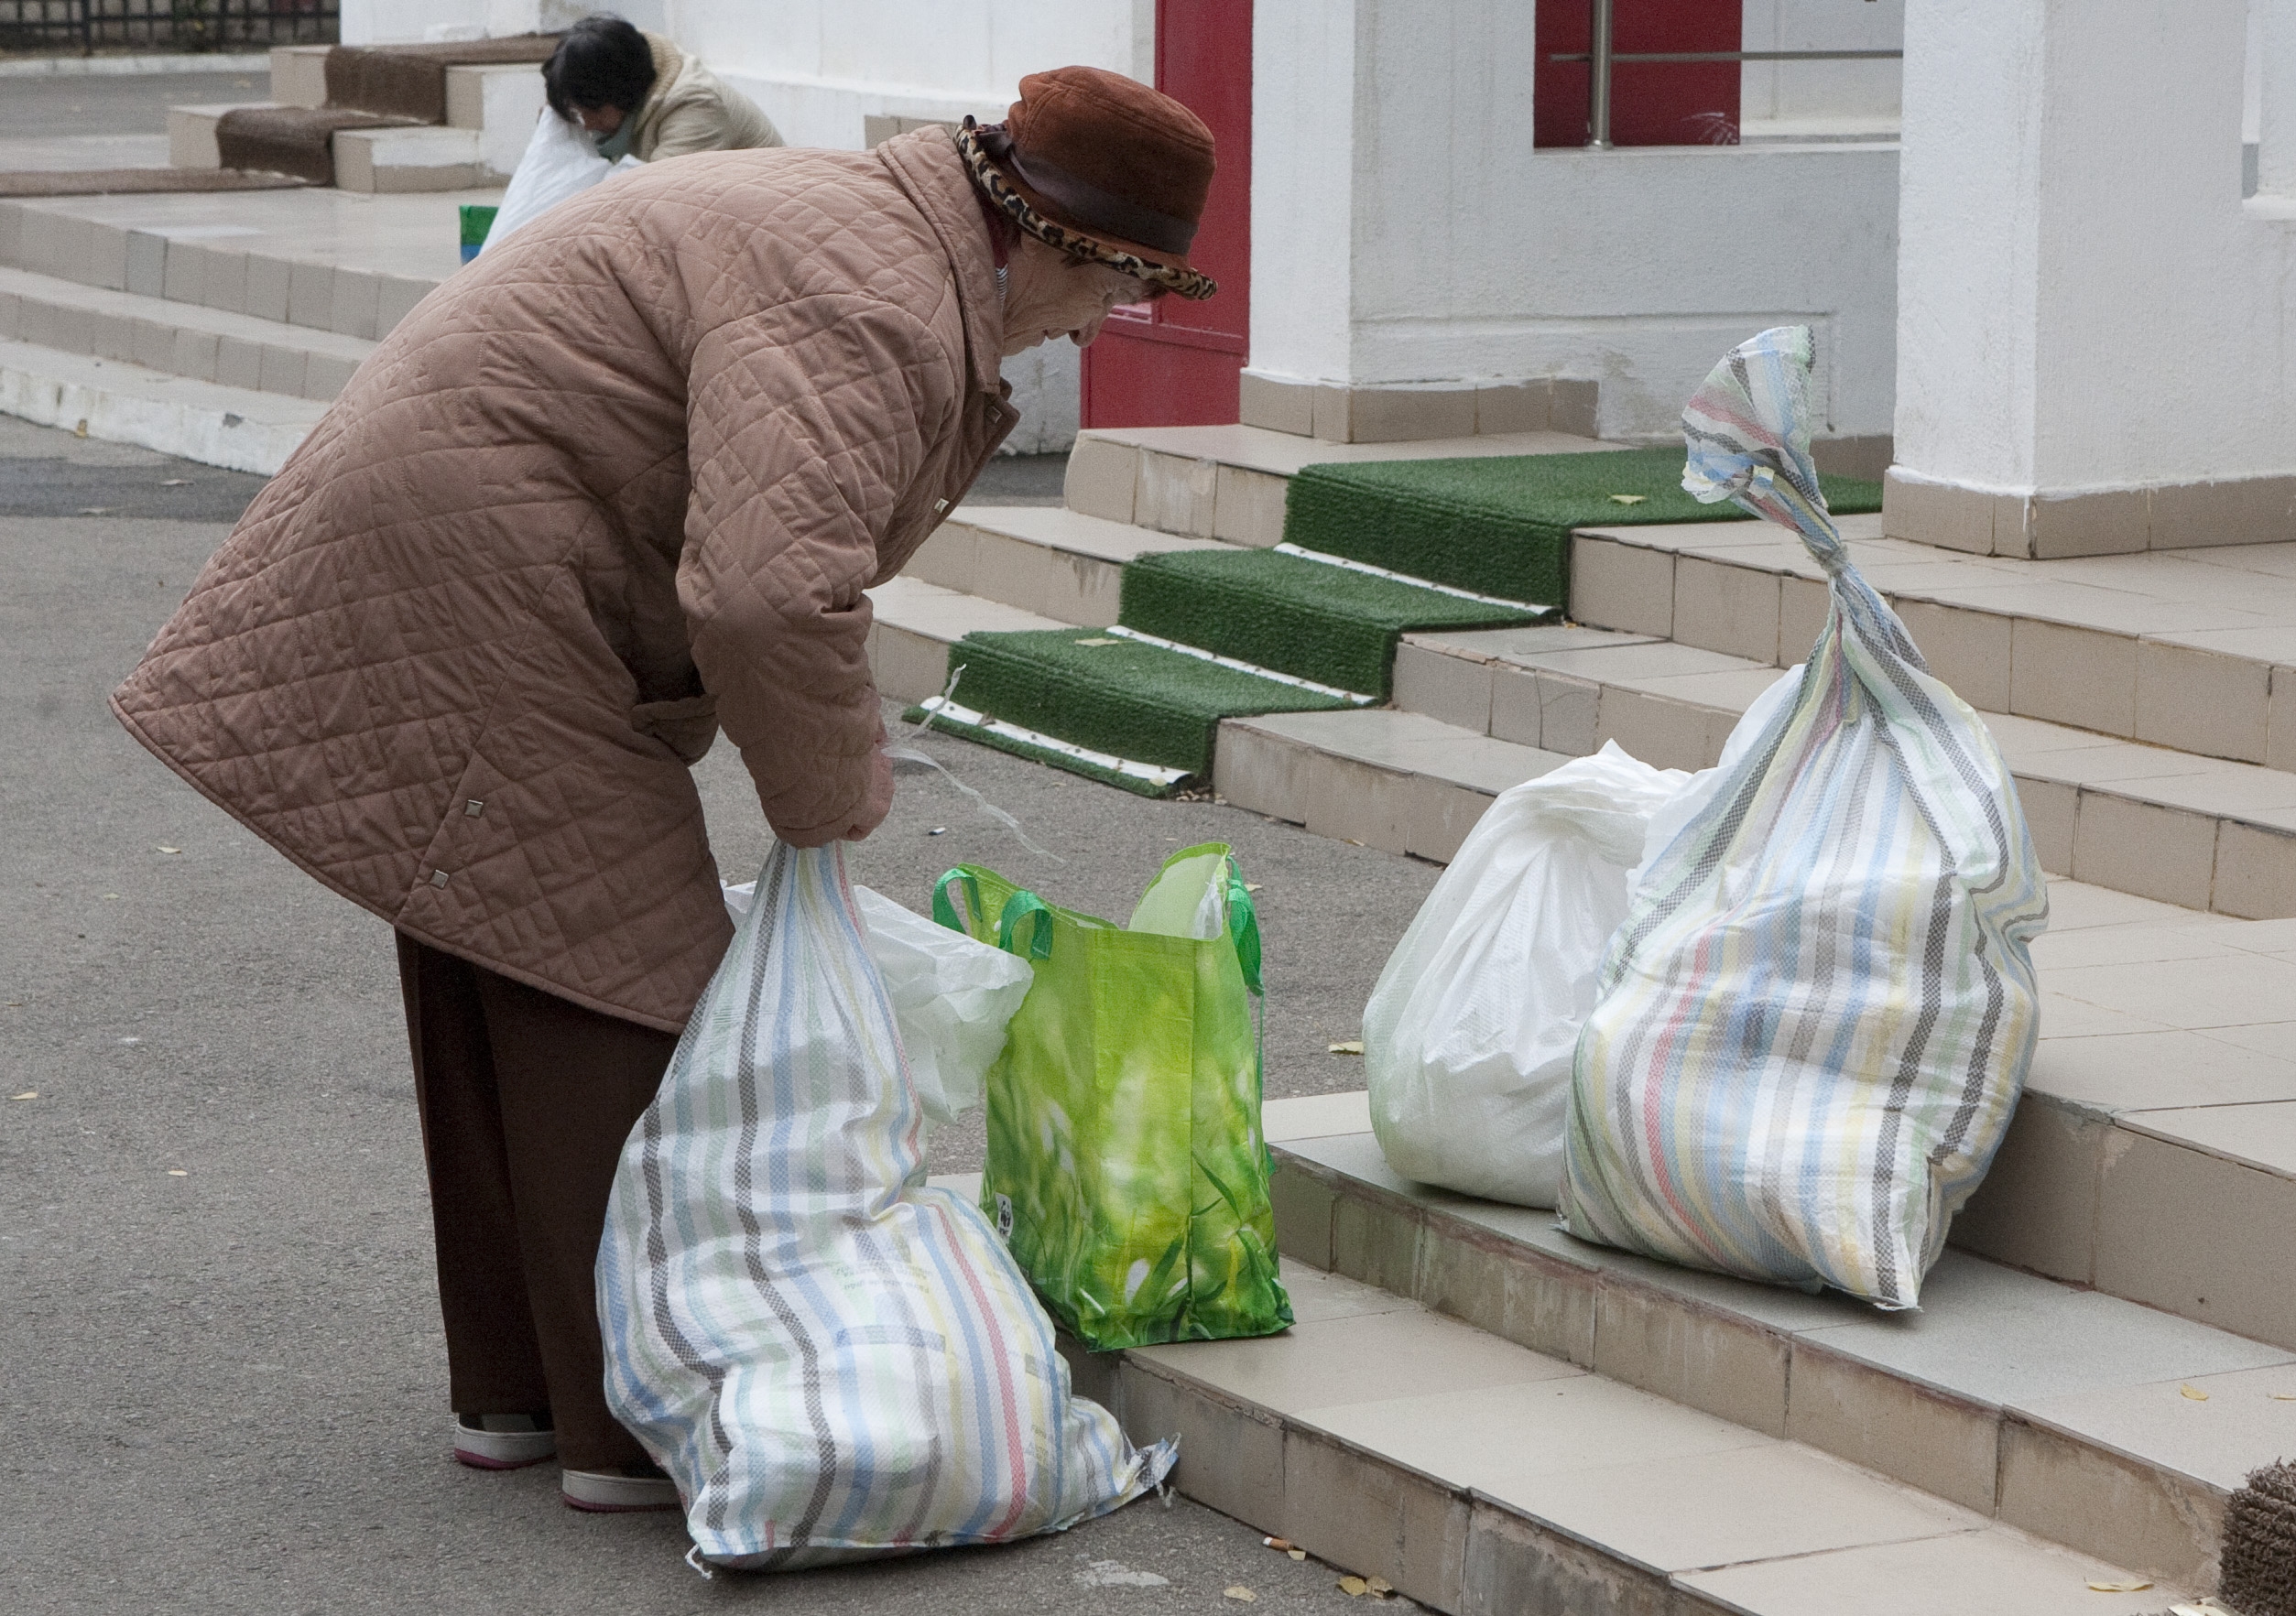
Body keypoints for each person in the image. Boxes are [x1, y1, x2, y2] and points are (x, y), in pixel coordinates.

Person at [111, 65, 1216, 1516]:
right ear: (1077, 249)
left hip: (455, 534)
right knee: (626, 984)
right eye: (1117, 293)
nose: (1096, 325)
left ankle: (521, 1395)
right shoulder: (872, 292)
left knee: (499, 944)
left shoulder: (871, 230)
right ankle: (631, 1421)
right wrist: (830, 797)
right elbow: (767, 594)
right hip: (490, 566)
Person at [542, 12, 780, 163]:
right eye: (578, 111)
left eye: (593, 111)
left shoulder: (694, 105)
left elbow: (653, 199)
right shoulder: (628, 69)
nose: (588, 124)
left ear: (622, 93)